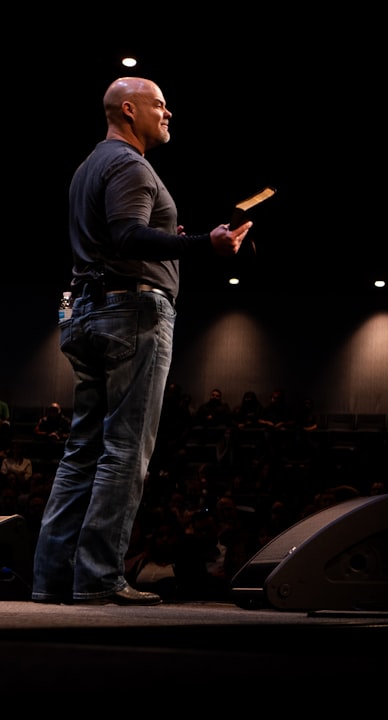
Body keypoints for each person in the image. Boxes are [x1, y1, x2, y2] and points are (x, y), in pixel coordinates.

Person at [31, 77, 251, 607]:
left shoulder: (88, 167)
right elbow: (127, 235)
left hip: (86, 311)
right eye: (159, 105)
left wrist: (166, 245)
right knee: (125, 450)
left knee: (82, 450)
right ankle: (99, 579)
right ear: (128, 111)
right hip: (131, 313)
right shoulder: (131, 165)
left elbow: (117, 238)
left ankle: (53, 578)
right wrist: (206, 244)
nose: (168, 112)